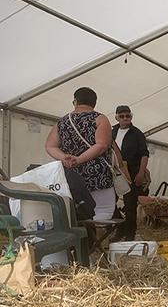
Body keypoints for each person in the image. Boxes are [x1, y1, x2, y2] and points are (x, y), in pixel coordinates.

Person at [45, 87, 116, 220]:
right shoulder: (100, 119)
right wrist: (79, 159)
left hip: (71, 177)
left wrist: (64, 158)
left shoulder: (62, 122)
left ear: (75, 102)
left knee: (76, 214)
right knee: (102, 213)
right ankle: (98, 234)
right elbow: (101, 145)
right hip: (98, 176)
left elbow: (50, 145)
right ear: (94, 103)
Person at [111, 105, 149, 241]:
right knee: (110, 202)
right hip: (114, 170)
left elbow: (144, 154)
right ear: (117, 117)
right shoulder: (112, 132)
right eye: (122, 116)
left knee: (130, 205)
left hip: (132, 171)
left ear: (131, 117)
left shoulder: (137, 134)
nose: (125, 118)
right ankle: (120, 226)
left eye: (128, 116)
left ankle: (129, 234)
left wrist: (141, 172)